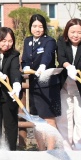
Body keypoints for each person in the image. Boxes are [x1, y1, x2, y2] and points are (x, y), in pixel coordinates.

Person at [56, 19, 81, 151]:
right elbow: (61, 58)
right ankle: (66, 149)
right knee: (63, 119)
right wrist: (68, 67)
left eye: (79, 32)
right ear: (67, 32)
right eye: (72, 32)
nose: (75, 35)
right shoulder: (62, 42)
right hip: (64, 86)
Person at [21, 14, 61, 150]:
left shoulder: (49, 41)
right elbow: (25, 58)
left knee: (49, 118)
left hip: (48, 84)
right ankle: (41, 150)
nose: (37, 29)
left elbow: (48, 55)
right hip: (34, 84)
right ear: (30, 27)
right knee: (36, 119)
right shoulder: (27, 41)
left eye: (40, 26)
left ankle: (51, 150)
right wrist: (25, 65)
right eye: (34, 26)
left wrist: (43, 66)